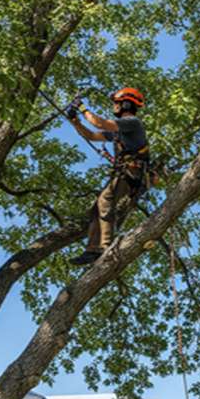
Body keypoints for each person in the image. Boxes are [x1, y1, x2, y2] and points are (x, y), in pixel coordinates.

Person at [64, 87, 152, 265]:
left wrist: (82, 108)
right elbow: (91, 135)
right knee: (98, 206)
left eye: (117, 103)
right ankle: (92, 250)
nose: (114, 106)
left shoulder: (132, 122)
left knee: (105, 202)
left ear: (126, 104)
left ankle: (105, 246)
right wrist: (75, 121)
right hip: (124, 172)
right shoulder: (119, 131)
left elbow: (99, 124)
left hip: (132, 171)